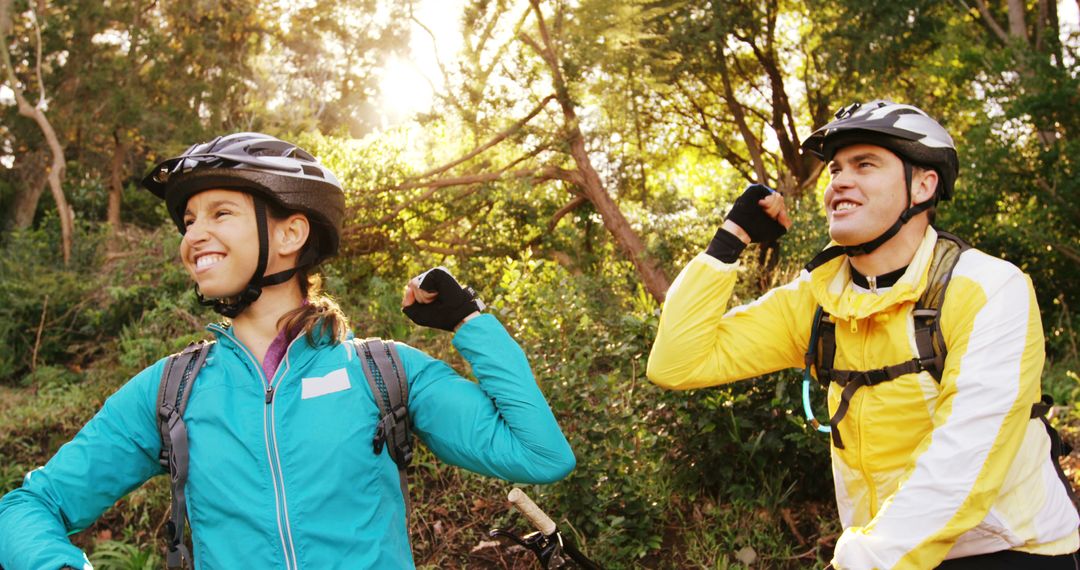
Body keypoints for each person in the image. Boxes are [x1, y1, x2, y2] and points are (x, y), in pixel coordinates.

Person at [0, 133, 576, 570]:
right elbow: (27, 508)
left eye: (220, 213)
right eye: (189, 220)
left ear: (290, 233)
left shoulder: (386, 374)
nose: (192, 235)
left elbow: (541, 455)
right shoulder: (171, 391)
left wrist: (469, 322)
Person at [647, 101, 1078, 569]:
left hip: (1006, 549)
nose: (839, 182)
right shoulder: (818, 299)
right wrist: (731, 239)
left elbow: (967, 459)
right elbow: (676, 362)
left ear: (923, 185)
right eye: (835, 169)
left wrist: (861, 560)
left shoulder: (988, 288)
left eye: (865, 165)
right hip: (880, 552)